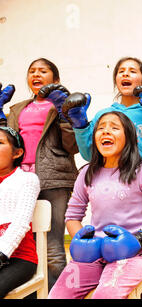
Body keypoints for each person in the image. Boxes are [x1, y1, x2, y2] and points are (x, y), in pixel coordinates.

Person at [61, 56, 142, 298]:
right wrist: (81, 125)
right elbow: (88, 152)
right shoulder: (106, 114)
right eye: (121, 71)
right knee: (112, 260)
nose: (125, 74)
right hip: (107, 186)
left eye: (132, 71)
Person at [48, 111, 142, 299]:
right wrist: (81, 241)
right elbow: (72, 216)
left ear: (129, 137)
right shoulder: (86, 173)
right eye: (101, 128)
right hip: (94, 253)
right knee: (57, 296)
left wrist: (140, 238)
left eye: (114, 128)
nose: (106, 132)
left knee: (105, 296)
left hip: (130, 254)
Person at [5, 58, 79, 290]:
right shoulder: (18, 108)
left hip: (54, 179)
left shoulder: (62, 106)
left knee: (53, 246)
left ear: (55, 79)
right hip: (20, 181)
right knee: (23, 243)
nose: (36, 74)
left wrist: (65, 114)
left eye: (43, 71)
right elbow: (7, 143)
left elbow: (72, 145)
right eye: (32, 71)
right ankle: (33, 292)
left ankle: (58, 294)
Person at [0, 127, 40, 298]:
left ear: (17, 153)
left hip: (19, 258)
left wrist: (1, 254)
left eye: (0, 143)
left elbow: (21, 223)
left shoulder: (27, 179)